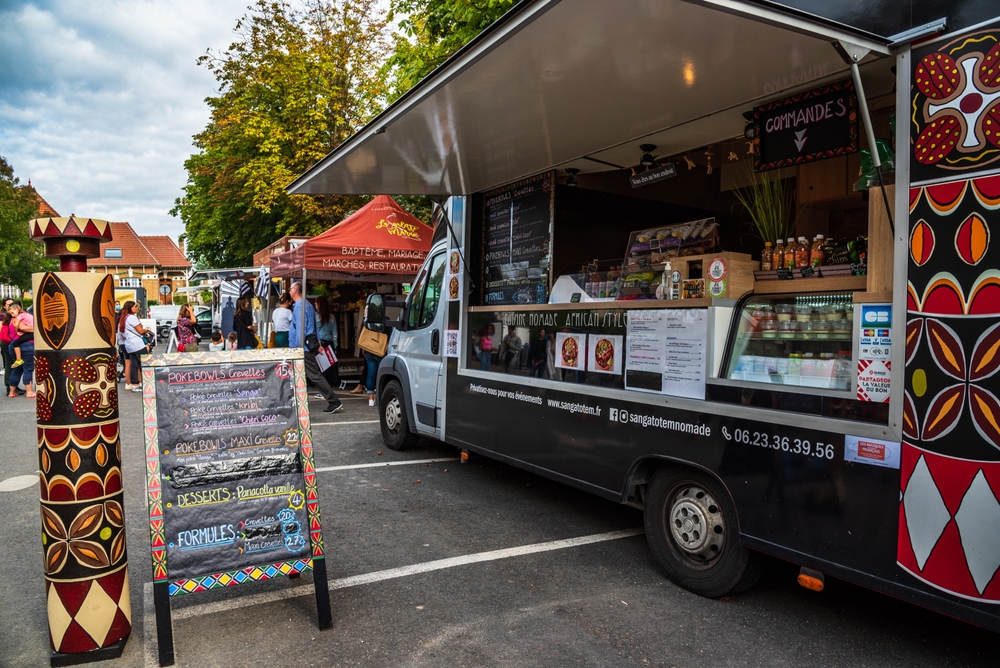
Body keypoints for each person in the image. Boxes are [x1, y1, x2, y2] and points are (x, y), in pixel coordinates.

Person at [289, 281, 342, 414]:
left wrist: (298, 347)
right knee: (302, 375)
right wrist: (317, 342)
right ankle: (295, 402)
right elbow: (314, 326)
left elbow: (301, 328)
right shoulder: (307, 304)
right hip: (306, 346)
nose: (289, 291)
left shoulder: (301, 305)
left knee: (314, 375)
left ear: (295, 290)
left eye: (290, 288)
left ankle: (334, 401)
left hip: (302, 348)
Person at [118, 301, 149, 392]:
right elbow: (140, 331)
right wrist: (146, 330)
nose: (137, 308)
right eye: (135, 306)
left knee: (134, 365)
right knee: (145, 363)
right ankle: (147, 383)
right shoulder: (132, 317)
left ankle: (134, 385)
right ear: (130, 308)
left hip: (129, 344)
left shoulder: (124, 318)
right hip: (137, 344)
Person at [6, 302, 35, 397]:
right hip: (26, 345)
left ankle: (11, 392)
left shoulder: (12, 319)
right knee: (28, 368)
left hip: (13, 345)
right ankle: (29, 392)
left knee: (17, 369)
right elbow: (22, 327)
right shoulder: (20, 317)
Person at [315, 295, 339, 389]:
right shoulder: (332, 317)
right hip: (329, 343)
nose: (315, 305)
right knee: (328, 366)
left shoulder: (316, 316)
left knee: (320, 367)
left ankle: (322, 388)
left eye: (316, 303)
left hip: (319, 343)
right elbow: (334, 333)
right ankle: (328, 386)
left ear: (319, 304)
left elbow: (314, 330)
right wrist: (335, 346)